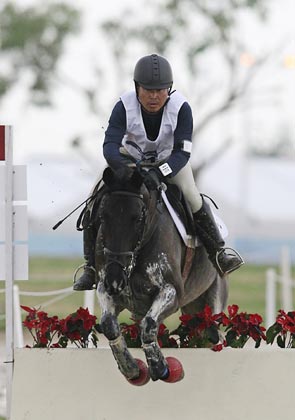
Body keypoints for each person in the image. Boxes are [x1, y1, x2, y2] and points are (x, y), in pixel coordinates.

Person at [73, 53, 243, 291]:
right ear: (137, 87)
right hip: (129, 161)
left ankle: (219, 252)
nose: (154, 96)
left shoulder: (181, 108)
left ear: (169, 89)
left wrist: (160, 172)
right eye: (148, 90)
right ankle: (91, 266)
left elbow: (182, 153)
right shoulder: (123, 106)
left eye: (160, 90)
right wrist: (124, 169)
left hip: (170, 162)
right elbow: (109, 146)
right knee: (96, 193)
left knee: (192, 195)